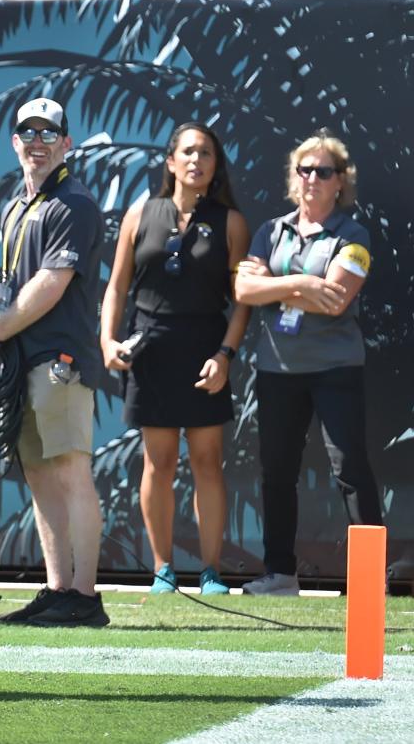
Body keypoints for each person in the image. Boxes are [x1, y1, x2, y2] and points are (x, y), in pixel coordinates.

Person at [0, 98, 108, 627]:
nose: (38, 141)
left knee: (70, 471)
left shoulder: (74, 204)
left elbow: (51, 283)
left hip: (59, 358)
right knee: (41, 475)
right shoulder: (17, 205)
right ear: (15, 142)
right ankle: (58, 588)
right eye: (28, 132)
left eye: (50, 132)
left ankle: (86, 598)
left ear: (67, 143)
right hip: (23, 358)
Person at [99, 122, 250, 596]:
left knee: (208, 460)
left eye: (205, 153)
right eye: (187, 152)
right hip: (150, 349)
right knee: (157, 462)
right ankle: (163, 569)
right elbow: (118, 286)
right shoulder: (141, 212)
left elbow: (242, 300)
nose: (196, 160)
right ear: (170, 161)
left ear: (214, 165)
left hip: (205, 348)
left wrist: (225, 355)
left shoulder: (232, 222)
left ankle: (210, 573)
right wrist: (107, 340)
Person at [234, 130, 383, 595]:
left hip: (335, 368)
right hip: (277, 370)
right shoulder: (269, 231)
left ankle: (369, 580)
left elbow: (337, 300)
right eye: (305, 170)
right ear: (294, 178)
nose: (312, 179)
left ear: (341, 182)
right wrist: (302, 284)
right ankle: (280, 574)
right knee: (277, 469)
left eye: (323, 171)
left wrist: (275, 284)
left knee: (349, 469)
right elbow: (242, 291)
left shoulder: (353, 236)